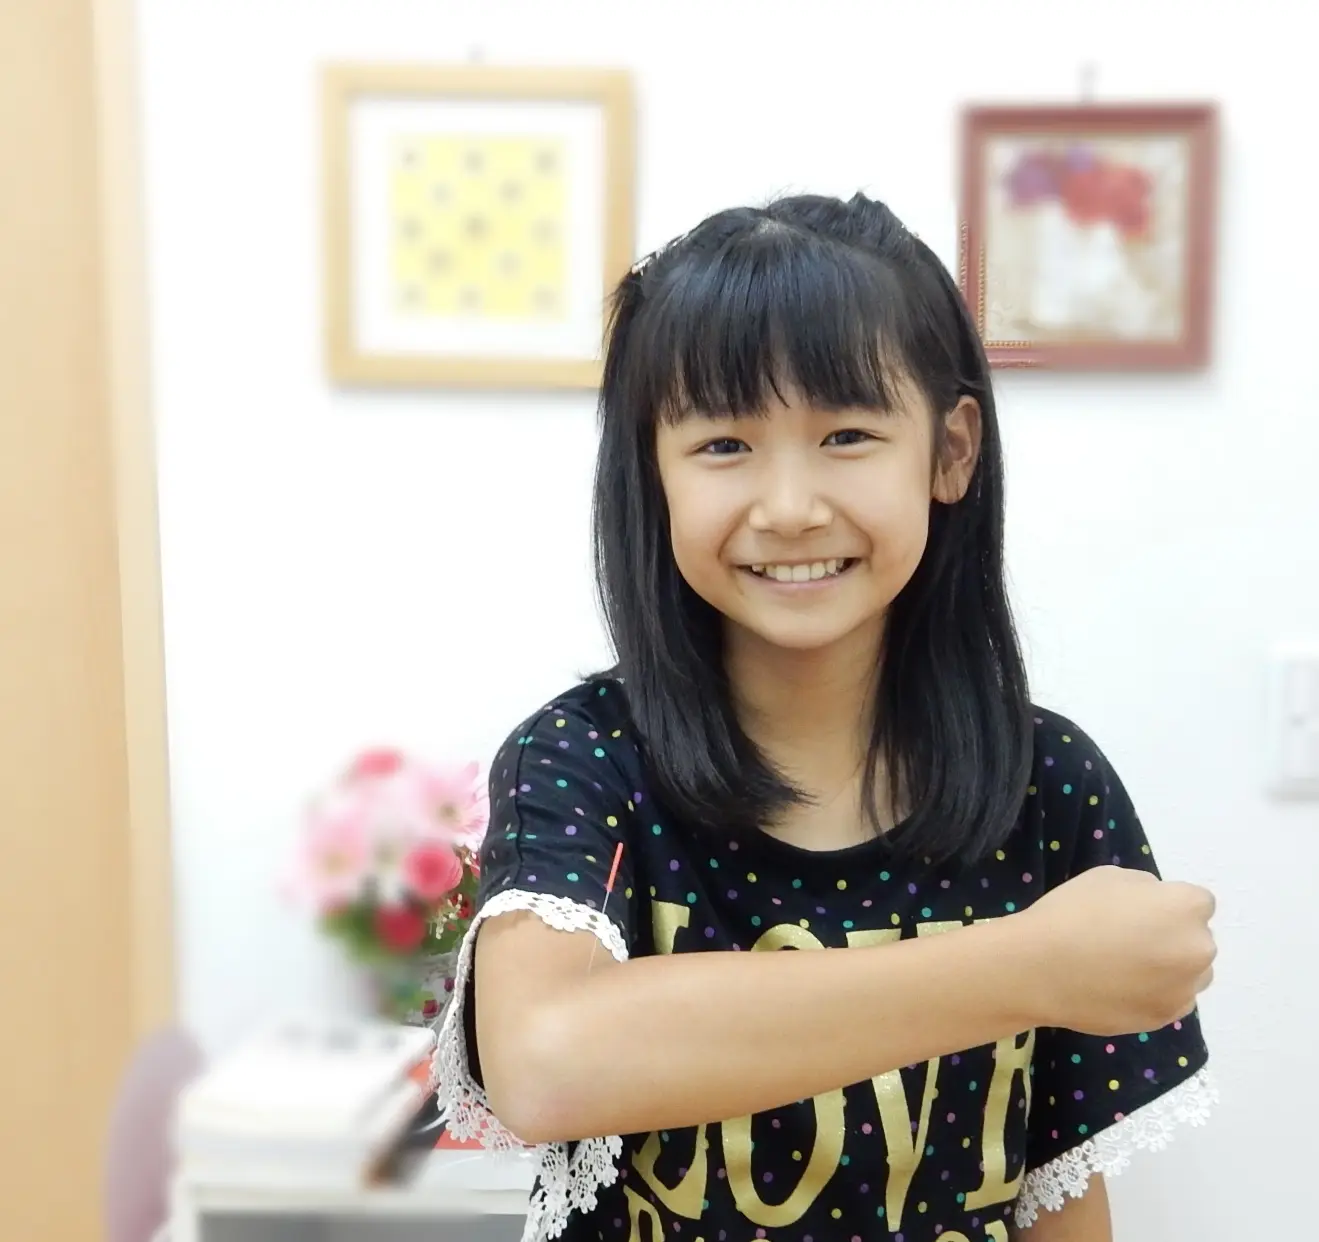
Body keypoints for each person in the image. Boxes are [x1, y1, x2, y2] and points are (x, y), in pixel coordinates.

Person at [433, 193, 1218, 1242]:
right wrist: (1030, 967)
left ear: (949, 452)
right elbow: (545, 1062)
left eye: (846, 434)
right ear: (650, 471)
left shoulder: (1046, 780)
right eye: (723, 444)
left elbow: (1056, 1189)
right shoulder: (581, 759)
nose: (790, 507)